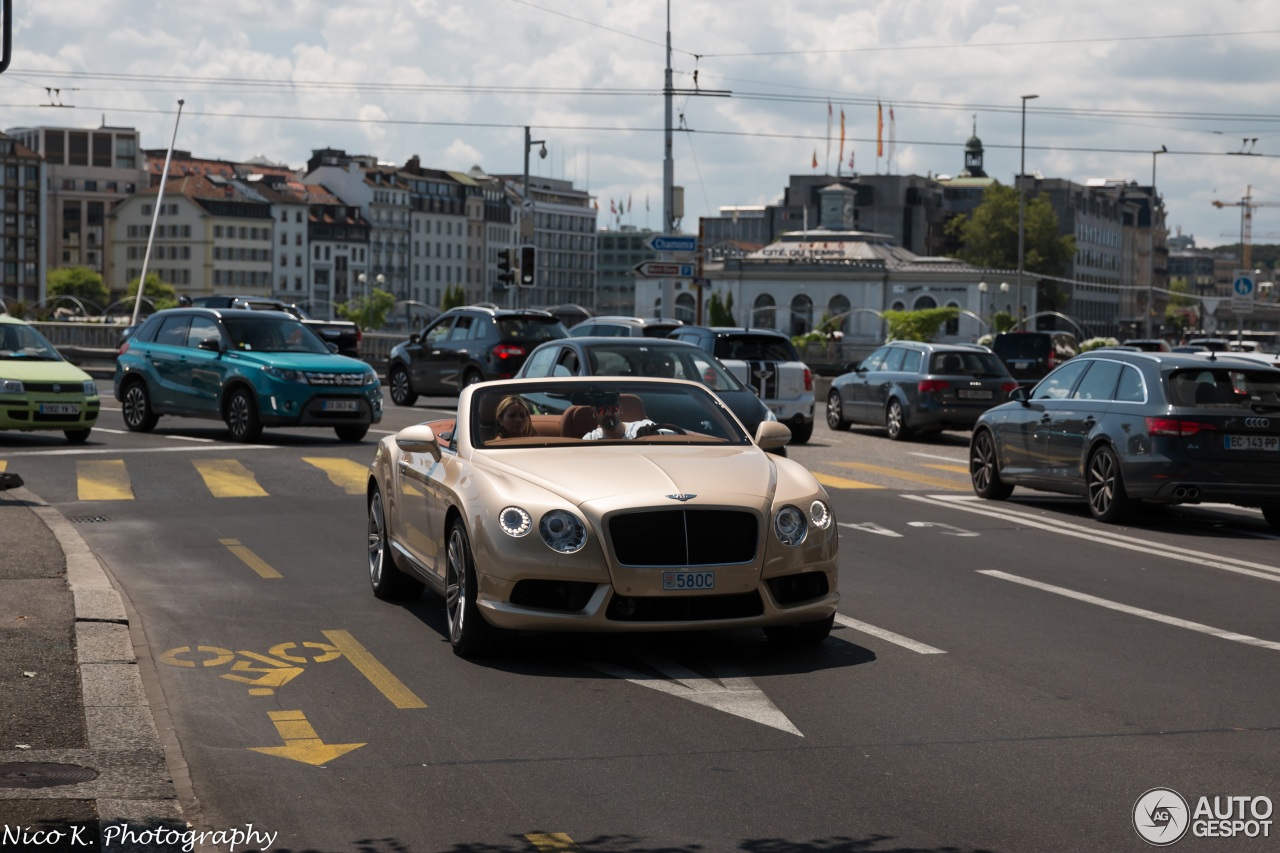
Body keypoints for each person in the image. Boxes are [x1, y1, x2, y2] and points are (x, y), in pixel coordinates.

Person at [581, 392, 660, 440]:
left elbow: (670, 435)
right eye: (601, 410)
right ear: (594, 414)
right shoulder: (590, 440)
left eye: (613, 408)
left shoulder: (643, 427)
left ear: (621, 409)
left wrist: (653, 436)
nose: (608, 414)